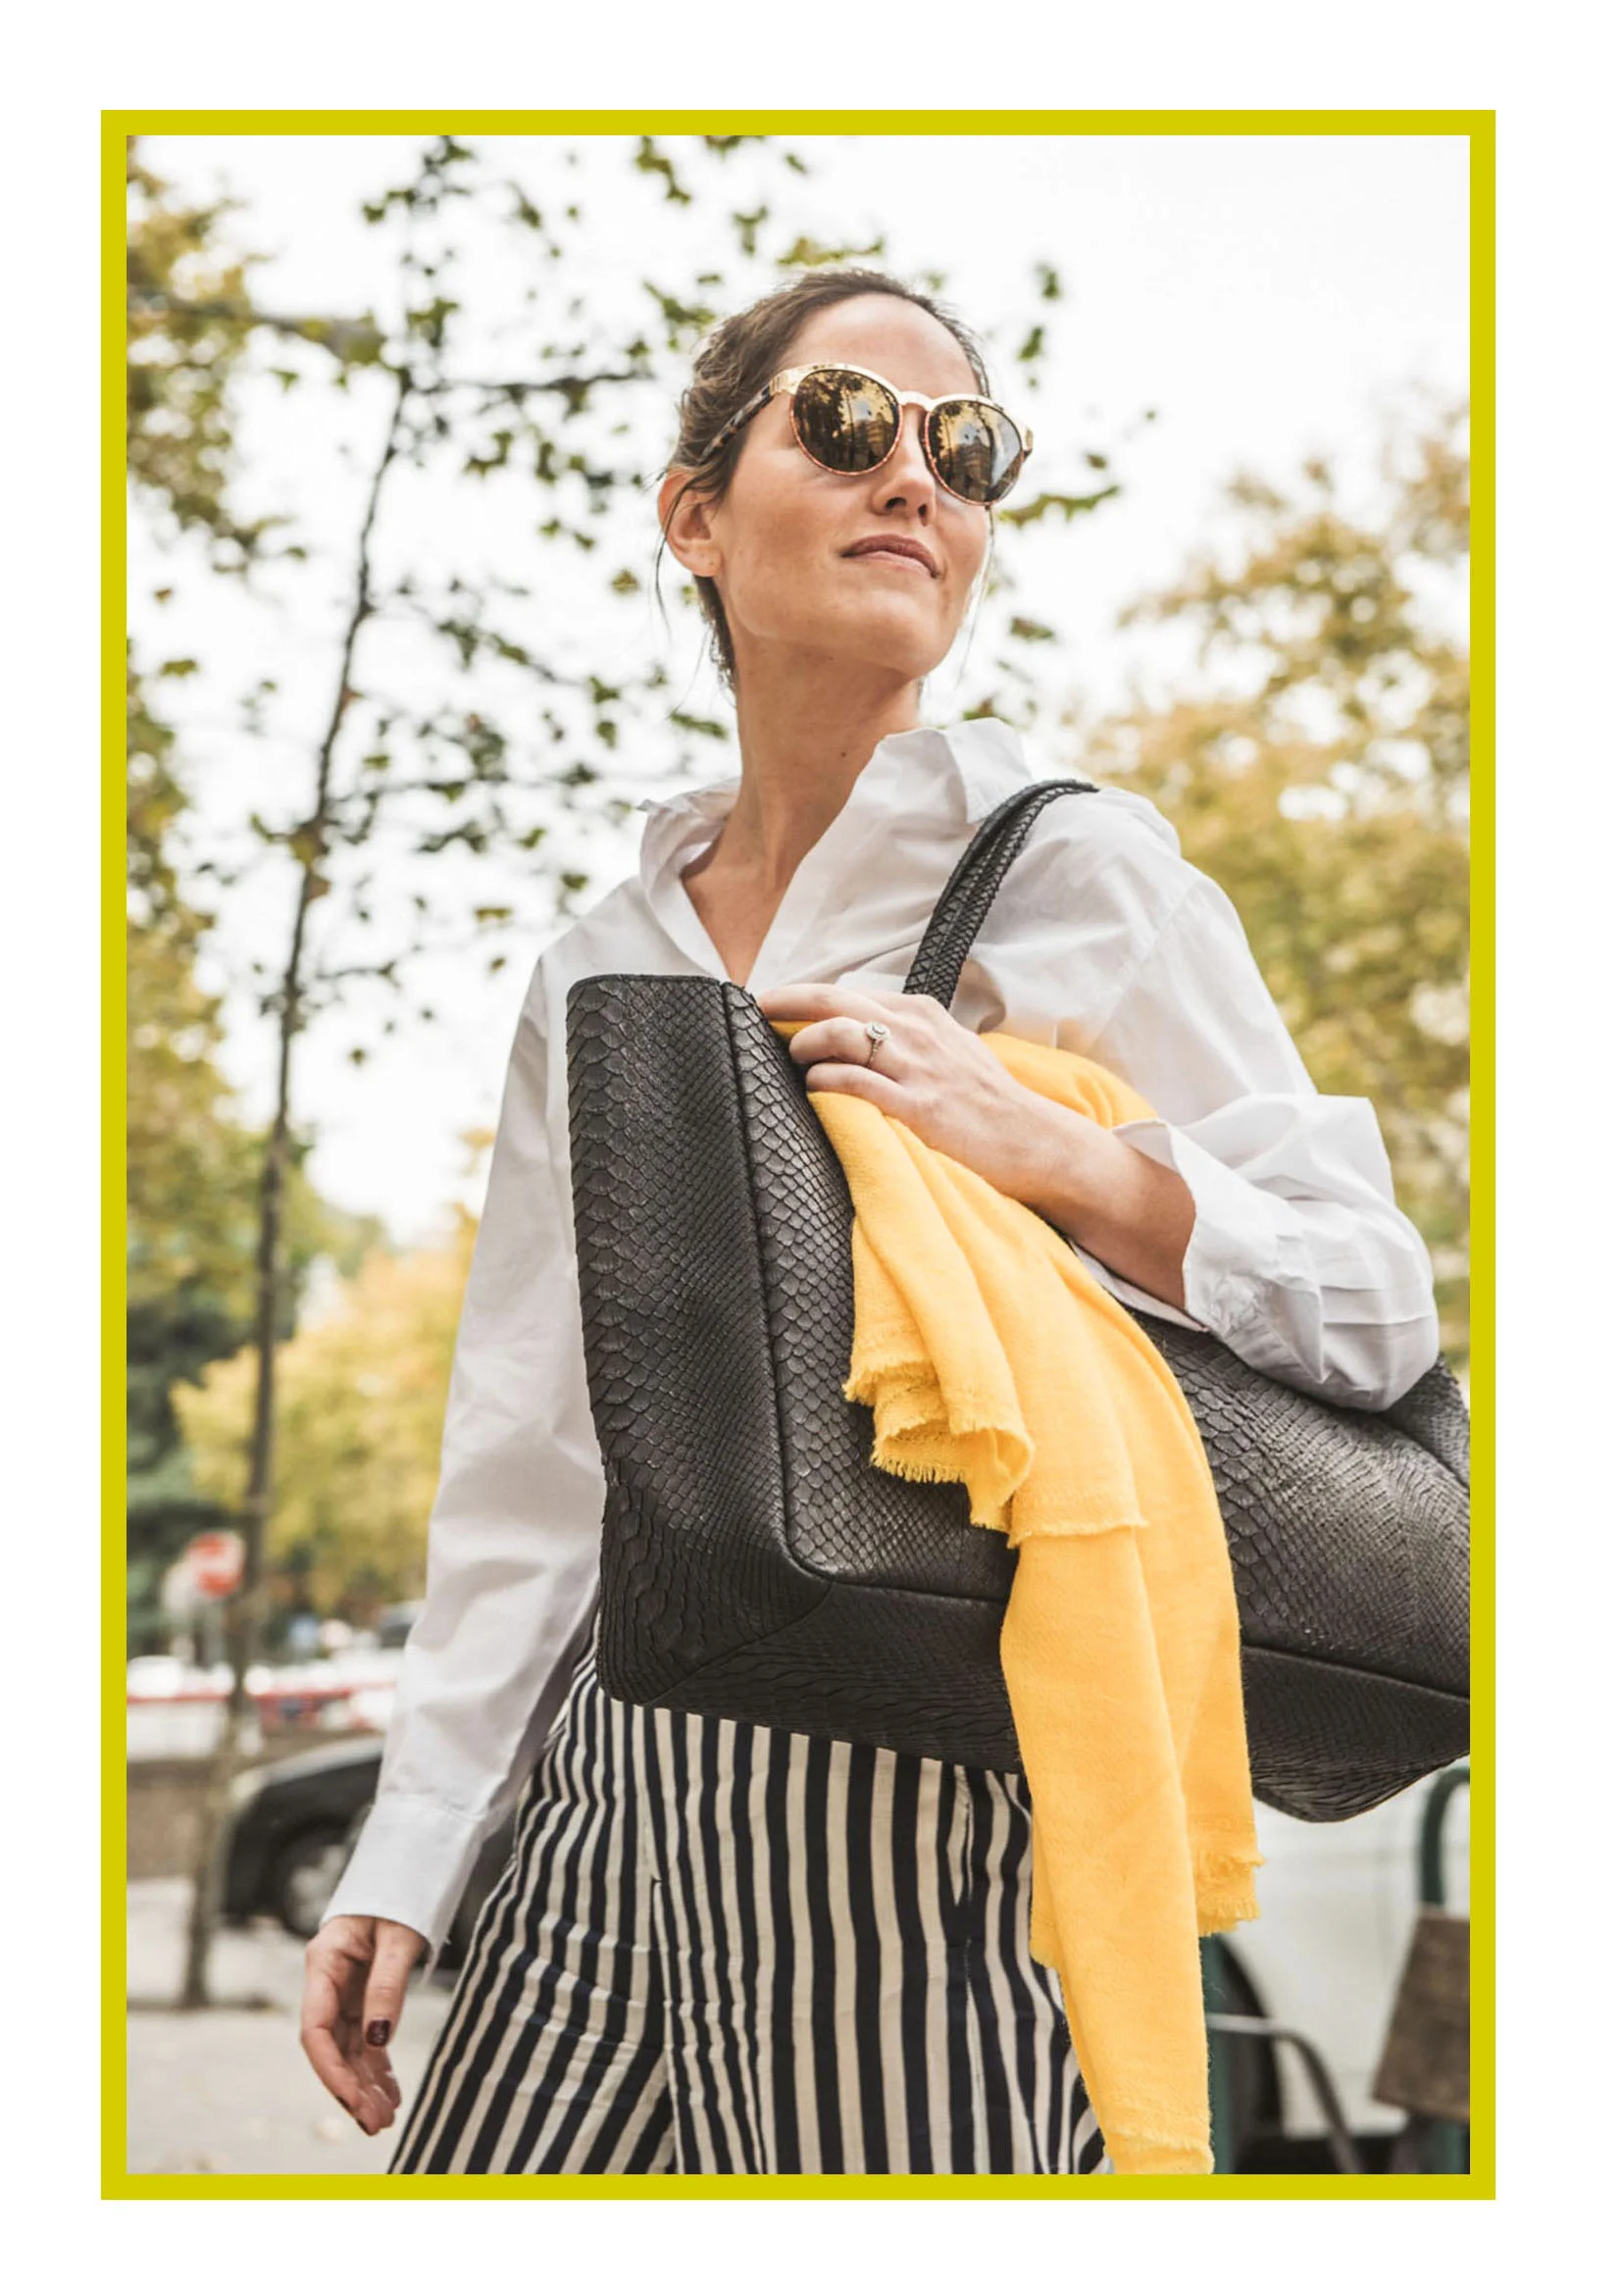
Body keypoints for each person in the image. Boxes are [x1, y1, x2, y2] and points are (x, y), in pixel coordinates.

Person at [300, 267, 1442, 2175]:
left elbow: (1374, 1301)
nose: (915, 476)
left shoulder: (1076, 869)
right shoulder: (601, 962)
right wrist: (412, 1847)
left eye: (964, 448)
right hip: (608, 1790)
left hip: (924, 1798)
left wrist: (1052, 1150)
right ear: (695, 515)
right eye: (844, 423)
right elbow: (530, 1441)